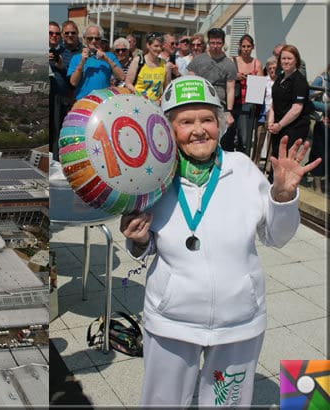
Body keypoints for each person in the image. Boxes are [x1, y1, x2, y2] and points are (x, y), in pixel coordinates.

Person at [121, 75, 321, 407]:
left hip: (238, 323)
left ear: (220, 123)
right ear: (169, 129)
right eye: (185, 121)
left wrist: (283, 197)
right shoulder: (155, 177)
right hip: (172, 322)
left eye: (207, 119)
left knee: (225, 403)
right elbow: (145, 245)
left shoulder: (241, 169)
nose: (198, 130)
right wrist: (138, 239)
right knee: (162, 403)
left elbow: (276, 236)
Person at [267, 45, 314, 182]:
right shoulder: (280, 77)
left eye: (289, 58)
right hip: (278, 127)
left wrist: (279, 125)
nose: (286, 61)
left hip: (293, 128)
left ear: (296, 61)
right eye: (283, 58)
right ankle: (272, 189)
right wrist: (271, 122)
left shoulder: (299, 81)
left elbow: (296, 109)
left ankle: (282, 194)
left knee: (285, 163)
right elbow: (274, 103)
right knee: (275, 159)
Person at [188, 28, 237, 145]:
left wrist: (229, 111)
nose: (215, 46)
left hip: (218, 106)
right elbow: (190, 81)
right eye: (213, 43)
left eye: (219, 43)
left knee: (215, 138)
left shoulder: (229, 64)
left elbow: (230, 89)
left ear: (223, 43)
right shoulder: (198, 60)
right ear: (208, 42)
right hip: (199, 102)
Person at [68, 24, 124, 100]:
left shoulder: (109, 56)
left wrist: (107, 59)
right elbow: (73, 82)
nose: (93, 41)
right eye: (90, 38)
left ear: (100, 39)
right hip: (83, 101)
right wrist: (82, 61)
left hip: (103, 102)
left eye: (97, 38)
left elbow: (122, 77)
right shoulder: (76, 58)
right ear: (84, 39)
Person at [232, 34, 264, 155]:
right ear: (240, 47)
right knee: (229, 135)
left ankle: (242, 160)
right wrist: (236, 76)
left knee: (244, 138)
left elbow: (260, 85)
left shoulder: (257, 63)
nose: (246, 49)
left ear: (253, 47)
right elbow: (226, 78)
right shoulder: (233, 60)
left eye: (248, 46)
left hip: (248, 103)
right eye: (244, 46)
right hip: (233, 101)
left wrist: (252, 78)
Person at [125, 32, 170, 104]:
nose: (159, 49)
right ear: (148, 45)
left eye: (161, 46)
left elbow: (167, 89)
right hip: (137, 104)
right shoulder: (138, 61)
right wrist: (140, 97)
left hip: (155, 106)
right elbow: (128, 83)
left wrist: (160, 101)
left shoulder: (165, 65)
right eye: (156, 46)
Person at [308, 64, 330, 193]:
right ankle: (317, 185)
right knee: (319, 153)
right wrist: (325, 108)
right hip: (322, 124)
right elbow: (309, 100)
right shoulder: (321, 80)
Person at [254, 56, 278, 166]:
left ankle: (268, 167)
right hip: (262, 114)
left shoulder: (281, 81)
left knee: (271, 143)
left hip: (275, 115)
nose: (272, 70)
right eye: (270, 68)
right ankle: (255, 162)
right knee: (259, 142)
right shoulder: (263, 80)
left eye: (274, 68)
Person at [49, 21, 68, 160]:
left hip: (59, 97)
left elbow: (71, 77)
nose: (54, 36)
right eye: (50, 33)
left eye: (56, 33)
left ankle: (55, 161)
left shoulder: (64, 52)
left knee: (57, 131)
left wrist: (61, 66)